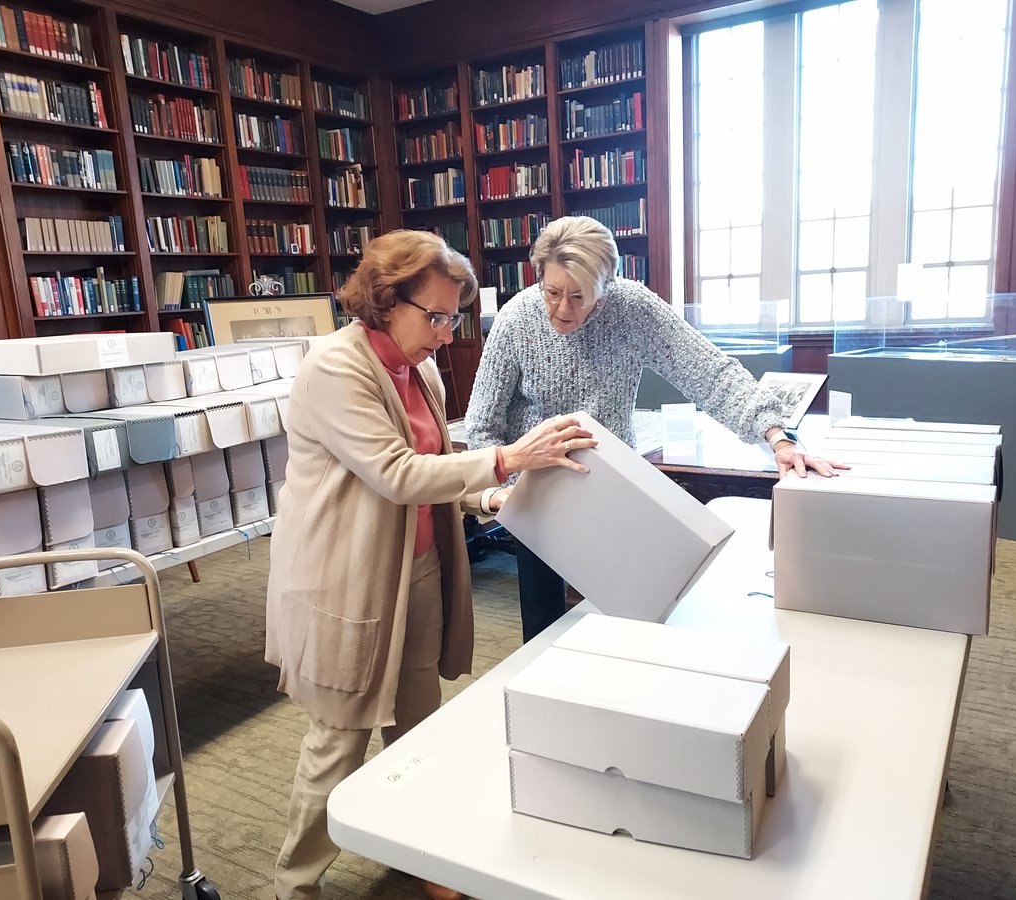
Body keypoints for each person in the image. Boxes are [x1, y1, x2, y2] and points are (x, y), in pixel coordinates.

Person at [265, 229, 596, 900]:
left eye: (455, 317)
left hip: (415, 570)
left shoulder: (417, 366)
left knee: (417, 727)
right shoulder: (336, 367)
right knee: (339, 742)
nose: (448, 333)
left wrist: (495, 494)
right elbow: (396, 474)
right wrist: (506, 458)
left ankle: (415, 851)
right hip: (346, 583)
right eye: (436, 316)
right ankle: (293, 885)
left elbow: (441, 462)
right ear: (387, 300)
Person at [465, 215, 847, 643]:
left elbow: (709, 372)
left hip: (612, 487)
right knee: (543, 632)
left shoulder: (632, 308)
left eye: (579, 296)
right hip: (536, 497)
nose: (561, 309)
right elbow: (482, 425)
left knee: (628, 619)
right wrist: (507, 490)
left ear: (606, 288)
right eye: (552, 292)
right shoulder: (516, 320)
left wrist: (777, 435)